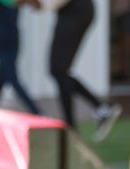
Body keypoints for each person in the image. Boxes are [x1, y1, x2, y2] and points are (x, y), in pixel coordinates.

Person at [46, 0, 123, 142]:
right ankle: (98, 110)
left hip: (76, 10)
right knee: (58, 70)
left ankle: (73, 127)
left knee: (59, 69)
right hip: (72, 11)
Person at [0, 0, 43, 114]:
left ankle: (37, 111)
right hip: (10, 40)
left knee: (12, 79)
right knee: (0, 80)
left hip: (6, 41)